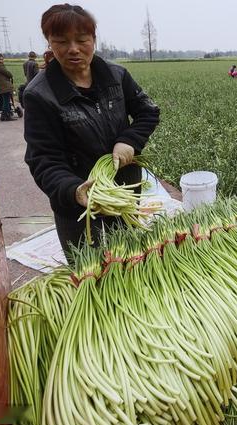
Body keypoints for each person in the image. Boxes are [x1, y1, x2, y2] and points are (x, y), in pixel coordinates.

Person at [23, 4, 160, 253]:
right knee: (90, 268)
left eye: (82, 39)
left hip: (123, 191)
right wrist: (74, 190)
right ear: (49, 43)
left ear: (94, 39)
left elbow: (148, 111)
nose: (73, 49)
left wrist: (129, 140)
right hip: (79, 204)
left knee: (130, 255)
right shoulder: (39, 95)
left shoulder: (116, 76)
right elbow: (43, 159)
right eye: (61, 41)